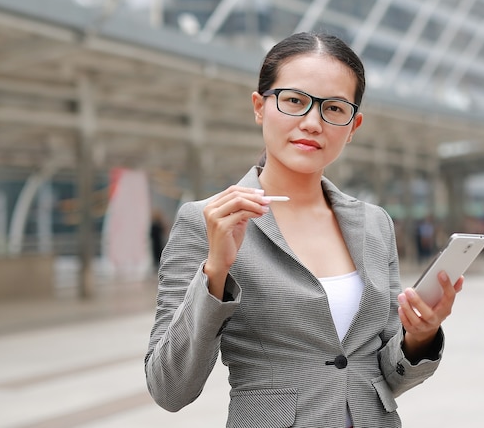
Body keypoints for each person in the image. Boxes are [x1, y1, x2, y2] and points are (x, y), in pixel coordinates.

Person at [145, 32, 463, 428]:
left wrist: (421, 335)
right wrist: (215, 272)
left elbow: (377, 375)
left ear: (353, 126)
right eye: (294, 101)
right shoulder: (207, 220)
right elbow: (168, 388)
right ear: (260, 107)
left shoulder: (373, 223)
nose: (312, 123)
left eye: (334, 108)